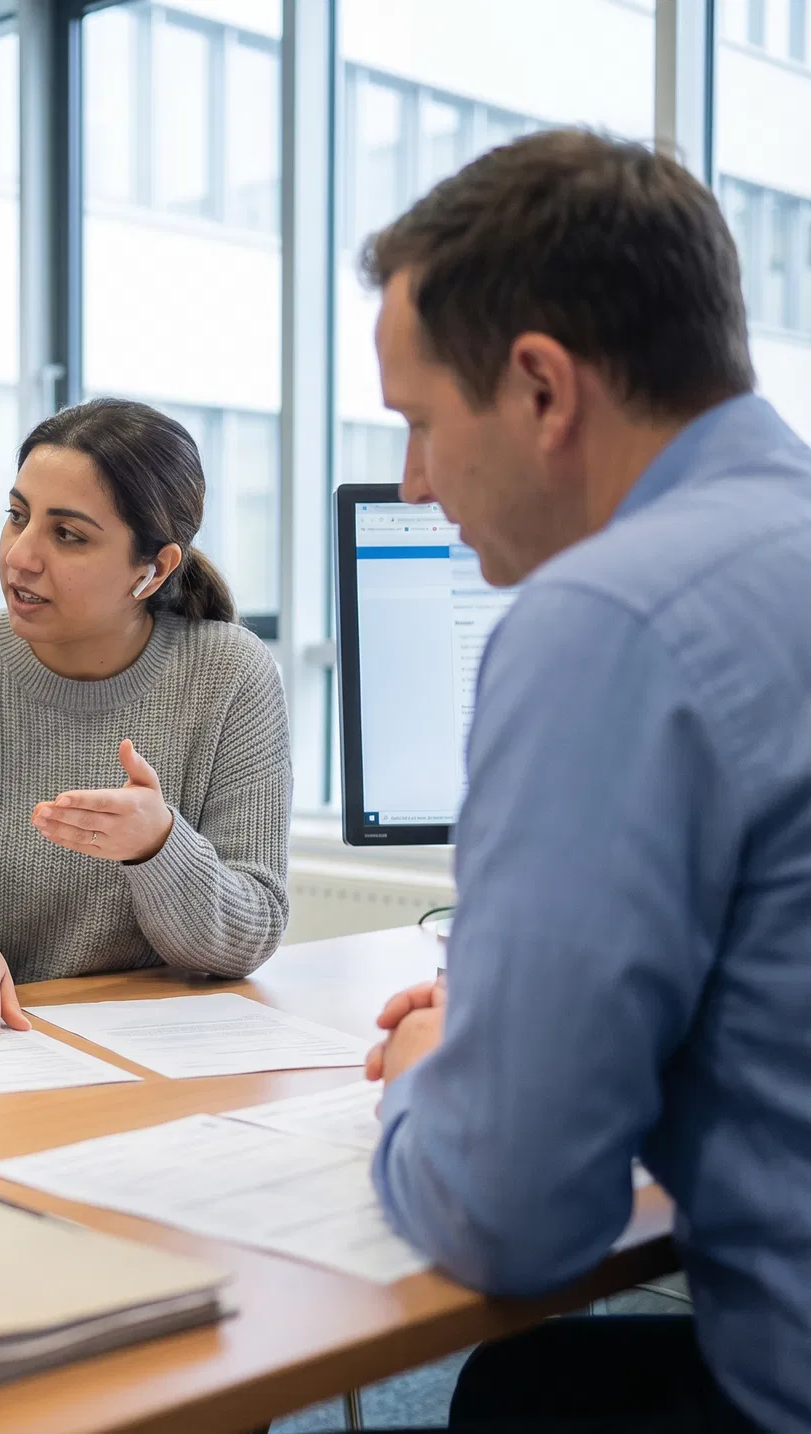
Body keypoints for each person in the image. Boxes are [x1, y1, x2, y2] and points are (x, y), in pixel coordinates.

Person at [361, 130, 811, 1431]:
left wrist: (437, 1058)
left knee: (519, 1396)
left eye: (422, 424)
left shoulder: (605, 619)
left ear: (544, 389)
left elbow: (512, 1217)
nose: (415, 483)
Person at [0, 398, 291, 1041]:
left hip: (162, 1054)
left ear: (153, 569)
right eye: (16, 517)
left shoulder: (231, 674)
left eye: (67, 534)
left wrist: (160, 847)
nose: (21, 556)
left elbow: (253, 928)